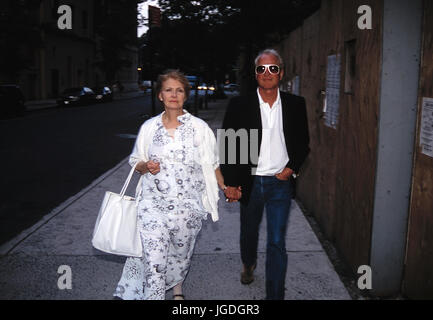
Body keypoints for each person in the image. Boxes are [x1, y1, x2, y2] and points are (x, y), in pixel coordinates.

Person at [113, 69, 226, 300]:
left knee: (180, 256)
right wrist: (146, 166)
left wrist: (225, 188)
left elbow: (213, 164)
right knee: (154, 262)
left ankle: (177, 288)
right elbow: (136, 161)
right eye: (168, 90)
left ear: (186, 95)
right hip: (152, 206)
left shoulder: (199, 128)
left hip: (189, 208)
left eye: (179, 90)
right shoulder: (149, 128)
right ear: (160, 96)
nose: (174, 94)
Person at [220, 49, 310, 300]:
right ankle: (248, 263)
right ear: (255, 73)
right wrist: (232, 183)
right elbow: (230, 147)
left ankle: (275, 295)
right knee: (249, 232)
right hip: (251, 181)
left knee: (277, 242)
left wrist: (291, 168)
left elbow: (303, 143)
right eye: (262, 68)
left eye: (272, 68)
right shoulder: (240, 105)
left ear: (281, 73)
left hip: (280, 183)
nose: (267, 73)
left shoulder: (295, 104)